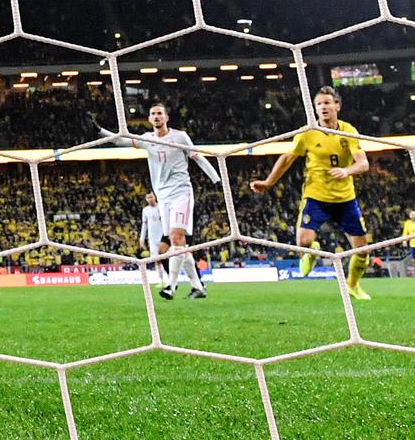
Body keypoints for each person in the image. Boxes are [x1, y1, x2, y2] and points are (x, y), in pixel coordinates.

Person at [250, 87, 373, 301]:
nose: (323, 107)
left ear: (337, 106)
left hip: (345, 199)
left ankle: (352, 286)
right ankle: (312, 250)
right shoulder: (307, 132)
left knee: (362, 250)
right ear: (314, 108)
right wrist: (268, 182)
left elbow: (363, 164)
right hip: (315, 197)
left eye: (327, 103)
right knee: (303, 242)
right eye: (319, 104)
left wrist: (346, 171)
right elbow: (287, 158)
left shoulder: (348, 131)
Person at [100, 103, 220, 300]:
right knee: (177, 245)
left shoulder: (180, 137)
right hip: (163, 196)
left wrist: (216, 179)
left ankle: (171, 286)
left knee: (175, 237)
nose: (156, 116)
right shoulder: (147, 139)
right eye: (153, 114)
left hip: (181, 193)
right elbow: (121, 140)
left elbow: (197, 157)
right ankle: (198, 287)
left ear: (166, 117)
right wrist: (100, 131)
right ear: (149, 119)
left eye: (159, 113)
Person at [140, 192, 166, 262]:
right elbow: (144, 225)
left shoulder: (161, 207)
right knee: (155, 259)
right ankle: (158, 270)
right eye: (148, 198)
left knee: (165, 257)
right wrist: (142, 238)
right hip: (152, 238)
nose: (150, 199)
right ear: (146, 199)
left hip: (162, 236)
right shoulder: (145, 210)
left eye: (151, 197)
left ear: (155, 197)